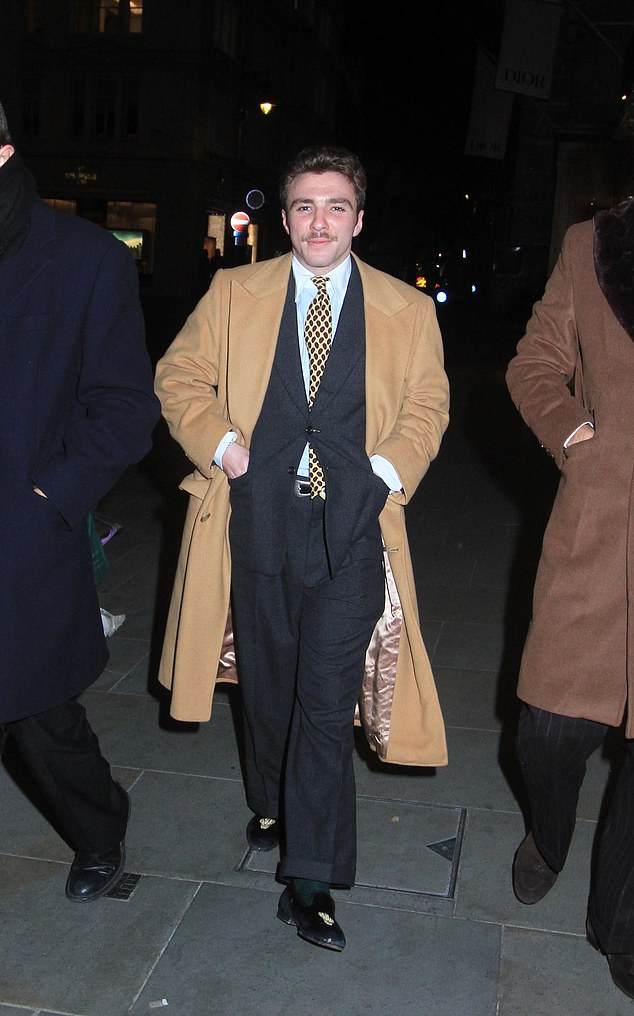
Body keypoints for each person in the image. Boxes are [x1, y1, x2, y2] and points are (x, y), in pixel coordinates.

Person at [154, 145, 449, 950]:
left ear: (360, 218)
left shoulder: (405, 309)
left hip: (353, 529)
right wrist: (224, 447)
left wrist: (385, 470)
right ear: (286, 219)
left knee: (324, 701)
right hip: (259, 520)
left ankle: (310, 878)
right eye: (307, 207)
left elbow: (428, 402)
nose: (322, 221)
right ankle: (272, 795)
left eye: (338, 206)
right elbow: (178, 376)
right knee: (268, 684)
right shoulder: (234, 292)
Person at [0, 102, 160, 901]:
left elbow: (126, 407)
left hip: (17, 531)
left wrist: (47, 495)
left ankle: (99, 831)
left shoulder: (84, 258)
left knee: (36, 715)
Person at [506, 195, 634, 999]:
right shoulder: (597, 246)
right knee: (547, 731)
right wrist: (575, 435)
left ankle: (620, 924)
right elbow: (532, 362)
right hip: (602, 526)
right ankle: (549, 836)